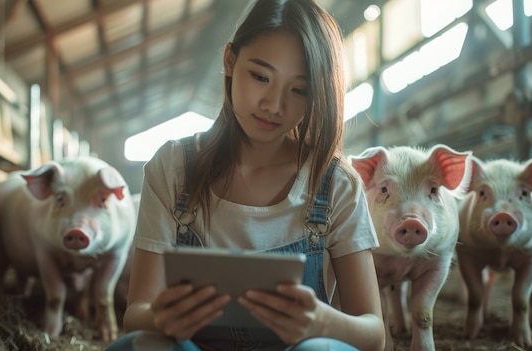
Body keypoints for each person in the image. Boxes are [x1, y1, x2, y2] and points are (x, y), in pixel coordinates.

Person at [105, 0, 385, 350]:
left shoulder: (334, 184)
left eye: (299, 89)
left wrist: (322, 321)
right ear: (229, 61)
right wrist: (160, 318)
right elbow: (136, 313)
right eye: (260, 76)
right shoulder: (173, 166)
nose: (274, 104)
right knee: (142, 344)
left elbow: (374, 333)